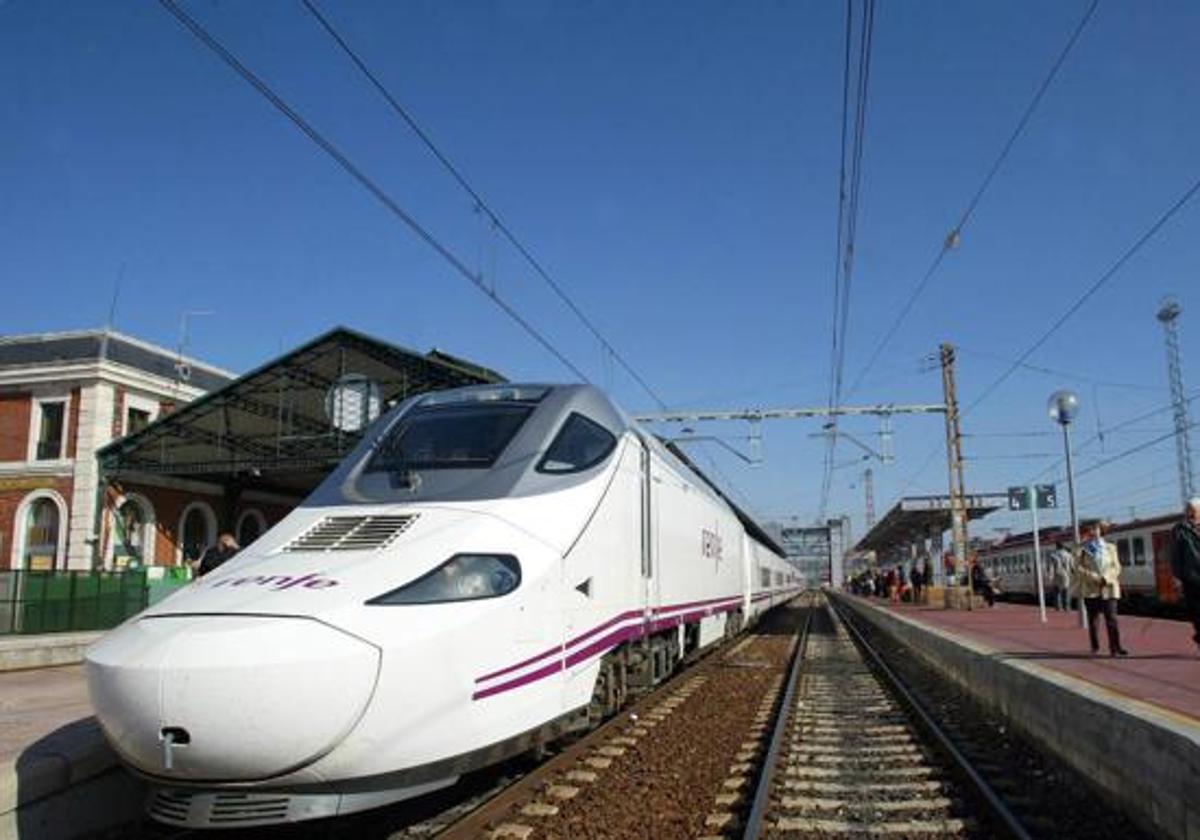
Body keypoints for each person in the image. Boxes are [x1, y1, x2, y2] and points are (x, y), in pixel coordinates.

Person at [1075, 522, 1128, 657]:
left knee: (1112, 618)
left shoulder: (1111, 547)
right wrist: (1093, 577)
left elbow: (1116, 567)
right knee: (1093, 620)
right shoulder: (1082, 549)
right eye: (1090, 529)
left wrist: (1106, 578)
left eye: (1096, 529)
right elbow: (1077, 568)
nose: (1093, 531)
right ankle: (1095, 646)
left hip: (1109, 587)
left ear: (1101, 530)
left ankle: (1115, 647)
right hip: (1091, 589)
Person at [1170, 497, 1200, 653]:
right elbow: (1175, 555)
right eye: (1189, 509)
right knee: (1196, 613)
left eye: (1193, 509)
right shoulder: (1180, 529)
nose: (1190, 512)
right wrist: (1177, 577)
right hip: (1191, 578)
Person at [1048, 541, 1073, 612]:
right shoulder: (1068, 555)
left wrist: (1050, 576)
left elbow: (1051, 567)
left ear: (1057, 547)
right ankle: (1067, 607)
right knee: (1066, 591)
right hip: (1066, 575)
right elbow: (1072, 566)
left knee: (1057, 592)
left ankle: (1058, 607)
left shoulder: (1053, 555)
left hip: (1057, 575)